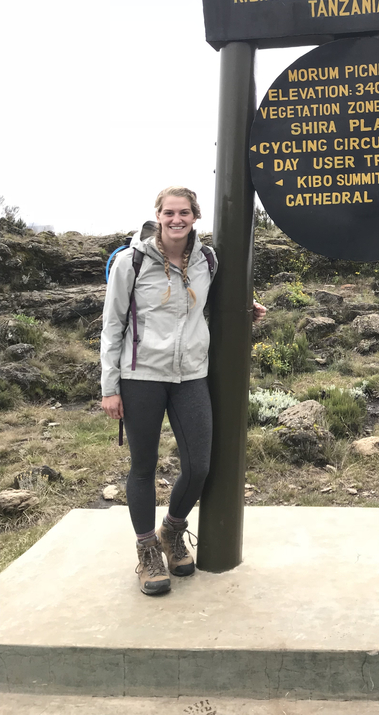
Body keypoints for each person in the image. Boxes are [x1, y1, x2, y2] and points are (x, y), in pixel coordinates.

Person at [100, 186, 266, 595]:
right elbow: (111, 325)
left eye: (185, 213)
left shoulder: (207, 260)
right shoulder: (130, 262)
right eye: (169, 212)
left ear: (196, 217)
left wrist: (250, 304)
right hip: (141, 377)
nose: (177, 219)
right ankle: (147, 553)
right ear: (158, 215)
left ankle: (171, 532)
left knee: (199, 467)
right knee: (143, 467)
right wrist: (110, 387)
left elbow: (216, 300)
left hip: (191, 375)